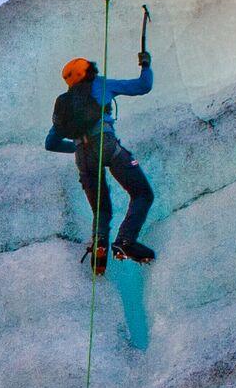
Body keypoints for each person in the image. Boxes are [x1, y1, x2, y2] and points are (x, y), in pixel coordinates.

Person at [46, 50, 156, 268]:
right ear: (89, 71)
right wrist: (145, 64)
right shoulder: (100, 84)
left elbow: (51, 143)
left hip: (83, 158)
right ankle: (126, 240)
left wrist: (78, 147)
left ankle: (100, 244)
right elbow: (143, 86)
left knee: (101, 209)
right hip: (107, 146)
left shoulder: (66, 104)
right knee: (142, 193)